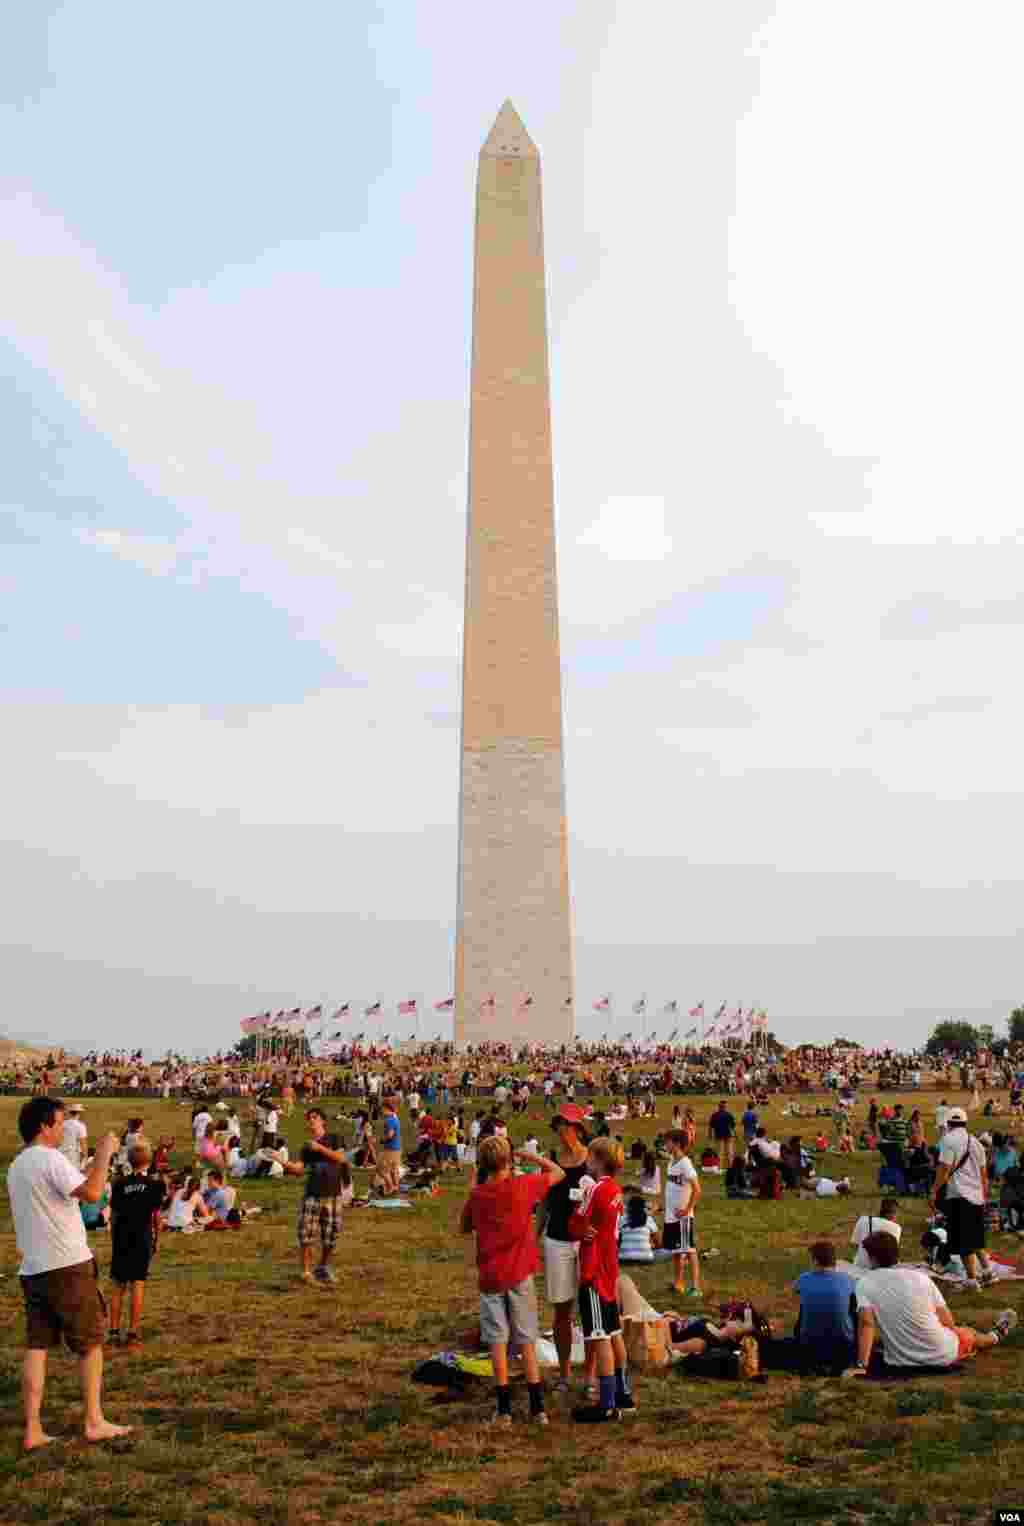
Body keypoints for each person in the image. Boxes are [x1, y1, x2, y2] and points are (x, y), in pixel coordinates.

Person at [6, 1097, 131, 1451]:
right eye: (59, 1123)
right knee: (91, 1343)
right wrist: (105, 1152)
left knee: (37, 1346)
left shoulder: (17, 1166)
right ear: (44, 1126)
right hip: (67, 1266)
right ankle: (94, 1421)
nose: (63, 1130)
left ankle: (33, 1428)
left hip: (33, 1267)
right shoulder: (50, 1159)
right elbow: (92, 1194)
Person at [460, 1136, 564, 1427]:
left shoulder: (479, 1195)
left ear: (482, 1164)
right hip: (520, 1273)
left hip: (491, 1276)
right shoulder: (523, 1186)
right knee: (526, 1338)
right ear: (510, 1161)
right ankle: (537, 1407)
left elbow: (464, 1226)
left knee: (497, 1340)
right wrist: (530, 1158)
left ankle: (504, 1408)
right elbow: (558, 1173)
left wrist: (474, 1187)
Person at [844, 1230, 1016, 1376]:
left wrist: (861, 1366)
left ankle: (993, 1334)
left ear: (873, 1258)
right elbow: (948, 1322)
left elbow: (867, 1325)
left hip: (900, 1360)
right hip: (941, 1353)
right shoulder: (921, 1278)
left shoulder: (865, 1283)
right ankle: (996, 1334)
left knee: (961, 1333)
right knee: (968, 1333)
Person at [567, 1138, 635, 1422]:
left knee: (601, 1336)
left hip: (593, 1271)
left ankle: (606, 1404)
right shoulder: (616, 1189)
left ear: (596, 1159)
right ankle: (624, 1393)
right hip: (610, 1269)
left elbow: (575, 1226)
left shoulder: (596, 1189)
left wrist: (580, 1205)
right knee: (614, 1332)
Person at [537, 1103, 590, 1393]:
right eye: (560, 1125)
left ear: (579, 1128)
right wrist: (534, 1236)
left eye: (568, 1125)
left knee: (590, 1309)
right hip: (556, 1238)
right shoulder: (551, 1158)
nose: (563, 1131)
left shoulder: (591, 1158)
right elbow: (544, 1200)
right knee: (561, 1311)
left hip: (585, 1242)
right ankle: (565, 1374)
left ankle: (593, 1376)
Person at [283, 1108, 350, 1286]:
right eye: (309, 1118)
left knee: (331, 1235)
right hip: (312, 1194)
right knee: (306, 1234)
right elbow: (299, 1170)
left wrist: (319, 1148)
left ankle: (322, 1267)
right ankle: (305, 1272)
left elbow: (340, 1158)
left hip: (333, 1195)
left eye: (315, 1118)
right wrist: (282, 1161)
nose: (311, 1121)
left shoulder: (334, 1138)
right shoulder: (307, 1147)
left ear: (323, 1121)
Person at [108, 1145, 166, 1347]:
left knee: (117, 1285)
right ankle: (132, 1332)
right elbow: (156, 1216)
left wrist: (113, 1237)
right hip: (142, 1238)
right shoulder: (154, 1185)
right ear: (149, 1162)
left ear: (130, 1161)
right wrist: (157, 1239)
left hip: (121, 1237)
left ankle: (113, 1331)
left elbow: (114, 1215)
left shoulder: (119, 1183)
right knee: (137, 1283)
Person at [931, 1107, 994, 1288]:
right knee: (975, 1236)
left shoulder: (947, 1140)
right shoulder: (977, 1143)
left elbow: (943, 1170)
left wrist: (934, 1191)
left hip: (958, 1195)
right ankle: (988, 1271)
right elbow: (984, 1175)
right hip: (976, 1196)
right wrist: (983, 1196)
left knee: (964, 1241)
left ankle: (972, 1280)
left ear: (949, 1123)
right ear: (965, 1123)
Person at [664, 1130, 701, 1298]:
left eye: (668, 1142)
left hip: (683, 1217)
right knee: (676, 1251)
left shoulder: (686, 1163)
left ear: (677, 1144)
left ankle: (695, 1287)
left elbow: (697, 1190)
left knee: (689, 1249)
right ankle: (679, 1283)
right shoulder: (671, 1161)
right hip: (671, 1215)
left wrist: (687, 1209)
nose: (666, 1145)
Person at [850, 1200, 901, 1269]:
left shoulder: (863, 1220)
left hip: (860, 1265)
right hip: (883, 1268)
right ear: (894, 1213)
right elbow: (892, 1253)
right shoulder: (896, 1228)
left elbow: (854, 1245)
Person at [379, 1096, 402, 1195]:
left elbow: (390, 1134)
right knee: (394, 1170)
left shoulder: (389, 1119)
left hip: (390, 1149)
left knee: (382, 1170)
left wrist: (382, 1140)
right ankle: (396, 1187)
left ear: (385, 1108)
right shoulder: (394, 1117)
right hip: (397, 1148)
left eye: (382, 1109)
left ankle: (391, 1187)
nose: (381, 1111)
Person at [708, 1101, 736, 1167]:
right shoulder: (729, 1114)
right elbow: (732, 1126)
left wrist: (710, 1135)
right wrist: (734, 1135)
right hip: (728, 1135)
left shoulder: (715, 1115)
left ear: (719, 1107)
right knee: (729, 1152)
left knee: (719, 1152)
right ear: (725, 1107)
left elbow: (711, 1126)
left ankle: (719, 1166)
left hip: (718, 1135)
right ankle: (730, 1166)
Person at [60, 1104, 88, 1170]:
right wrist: (85, 1158)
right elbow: (83, 1144)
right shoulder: (81, 1126)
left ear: (70, 1113)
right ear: (78, 1113)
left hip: (61, 1153)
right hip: (73, 1156)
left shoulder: (62, 1124)